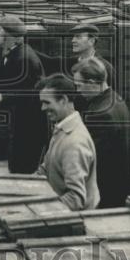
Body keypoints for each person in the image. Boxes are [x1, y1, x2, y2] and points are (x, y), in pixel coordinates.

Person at [0, 14, 46, 173]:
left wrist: (1, 97)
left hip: (29, 124)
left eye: (0, 32)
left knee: (21, 165)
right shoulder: (14, 53)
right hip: (21, 119)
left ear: (10, 36)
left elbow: (29, 93)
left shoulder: (24, 58)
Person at [73, 58, 130, 208]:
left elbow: (90, 157)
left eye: (79, 85)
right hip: (119, 185)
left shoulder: (100, 113)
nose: (78, 91)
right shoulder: (117, 100)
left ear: (92, 83)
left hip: (104, 190)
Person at [37, 73, 100, 210]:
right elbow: (45, 169)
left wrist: (40, 210)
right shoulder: (62, 129)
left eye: (47, 103)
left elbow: (75, 198)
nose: (42, 108)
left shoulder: (74, 142)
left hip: (76, 222)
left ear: (64, 100)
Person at [68, 22, 115, 88]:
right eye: (73, 37)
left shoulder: (105, 67)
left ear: (91, 41)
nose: (73, 40)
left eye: (78, 37)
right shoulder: (70, 64)